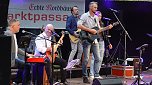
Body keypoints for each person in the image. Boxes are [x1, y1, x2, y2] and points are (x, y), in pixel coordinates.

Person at [77, 2, 113, 83]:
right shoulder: (85, 16)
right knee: (86, 59)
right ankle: (85, 76)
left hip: (95, 40)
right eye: (94, 7)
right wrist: (90, 30)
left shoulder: (96, 18)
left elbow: (98, 30)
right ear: (90, 8)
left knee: (98, 58)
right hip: (86, 39)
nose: (96, 9)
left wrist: (107, 28)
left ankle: (96, 74)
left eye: (96, 7)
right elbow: (78, 25)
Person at [4, 19, 32, 85]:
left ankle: (17, 81)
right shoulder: (8, 34)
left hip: (14, 59)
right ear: (13, 26)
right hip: (9, 60)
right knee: (26, 66)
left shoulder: (13, 34)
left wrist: (27, 54)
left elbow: (16, 49)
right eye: (18, 25)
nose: (19, 27)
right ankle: (21, 82)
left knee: (26, 65)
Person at [90, 11, 113, 79]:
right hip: (95, 41)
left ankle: (97, 73)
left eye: (100, 16)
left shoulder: (102, 23)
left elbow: (104, 34)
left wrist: (109, 43)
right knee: (94, 58)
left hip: (101, 41)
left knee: (100, 58)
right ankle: (91, 74)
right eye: (98, 16)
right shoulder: (92, 23)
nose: (99, 17)